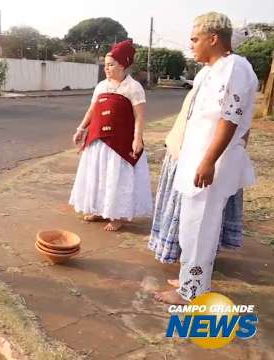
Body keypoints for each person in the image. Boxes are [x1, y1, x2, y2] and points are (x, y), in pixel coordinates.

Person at [154, 12, 258, 304]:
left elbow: (231, 117)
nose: (191, 46)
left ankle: (191, 292)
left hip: (213, 164)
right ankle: (191, 279)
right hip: (198, 161)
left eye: (195, 39)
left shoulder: (235, 67)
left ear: (213, 39)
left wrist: (210, 160)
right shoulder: (208, 71)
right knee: (192, 225)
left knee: (201, 226)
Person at [69, 40, 153, 231]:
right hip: (97, 140)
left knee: (117, 177)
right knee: (98, 175)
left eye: (111, 64)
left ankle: (117, 216)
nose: (106, 68)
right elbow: (92, 110)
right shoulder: (101, 86)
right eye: (105, 65)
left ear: (123, 64)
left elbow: (139, 117)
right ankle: (98, 210)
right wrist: (81, 129)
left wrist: (137, 139)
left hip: (120, 143)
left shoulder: (133, 87)